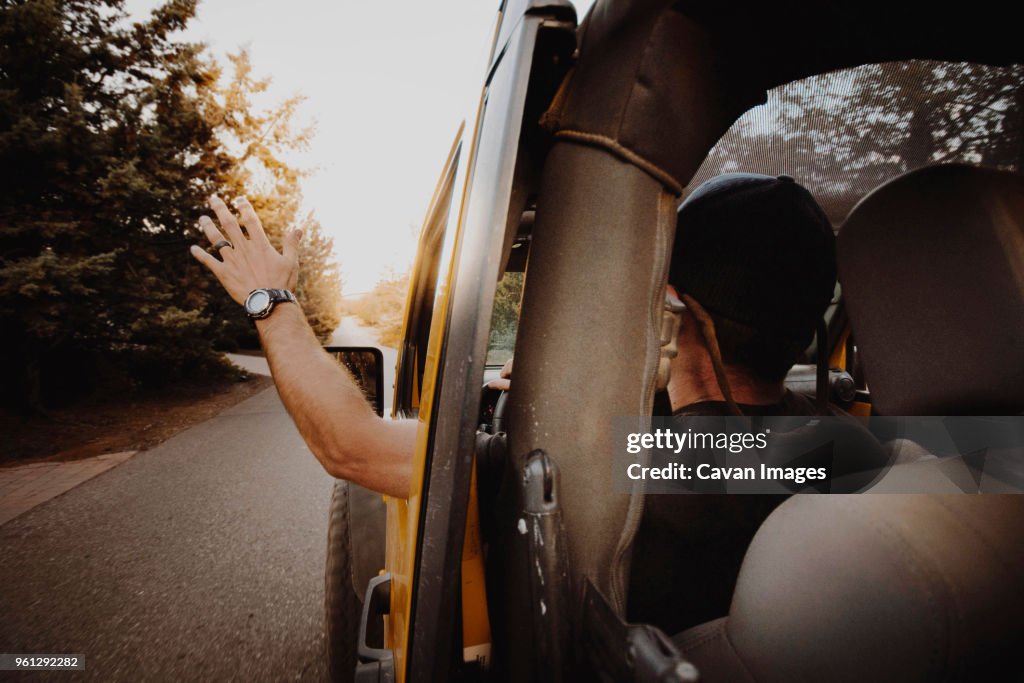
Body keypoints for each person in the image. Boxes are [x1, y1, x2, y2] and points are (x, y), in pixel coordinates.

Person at [189, 173, 835, 498]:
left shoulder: (591, 464)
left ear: (670, 309)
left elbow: (351, 448)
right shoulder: (862, 449)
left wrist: (269, 300)